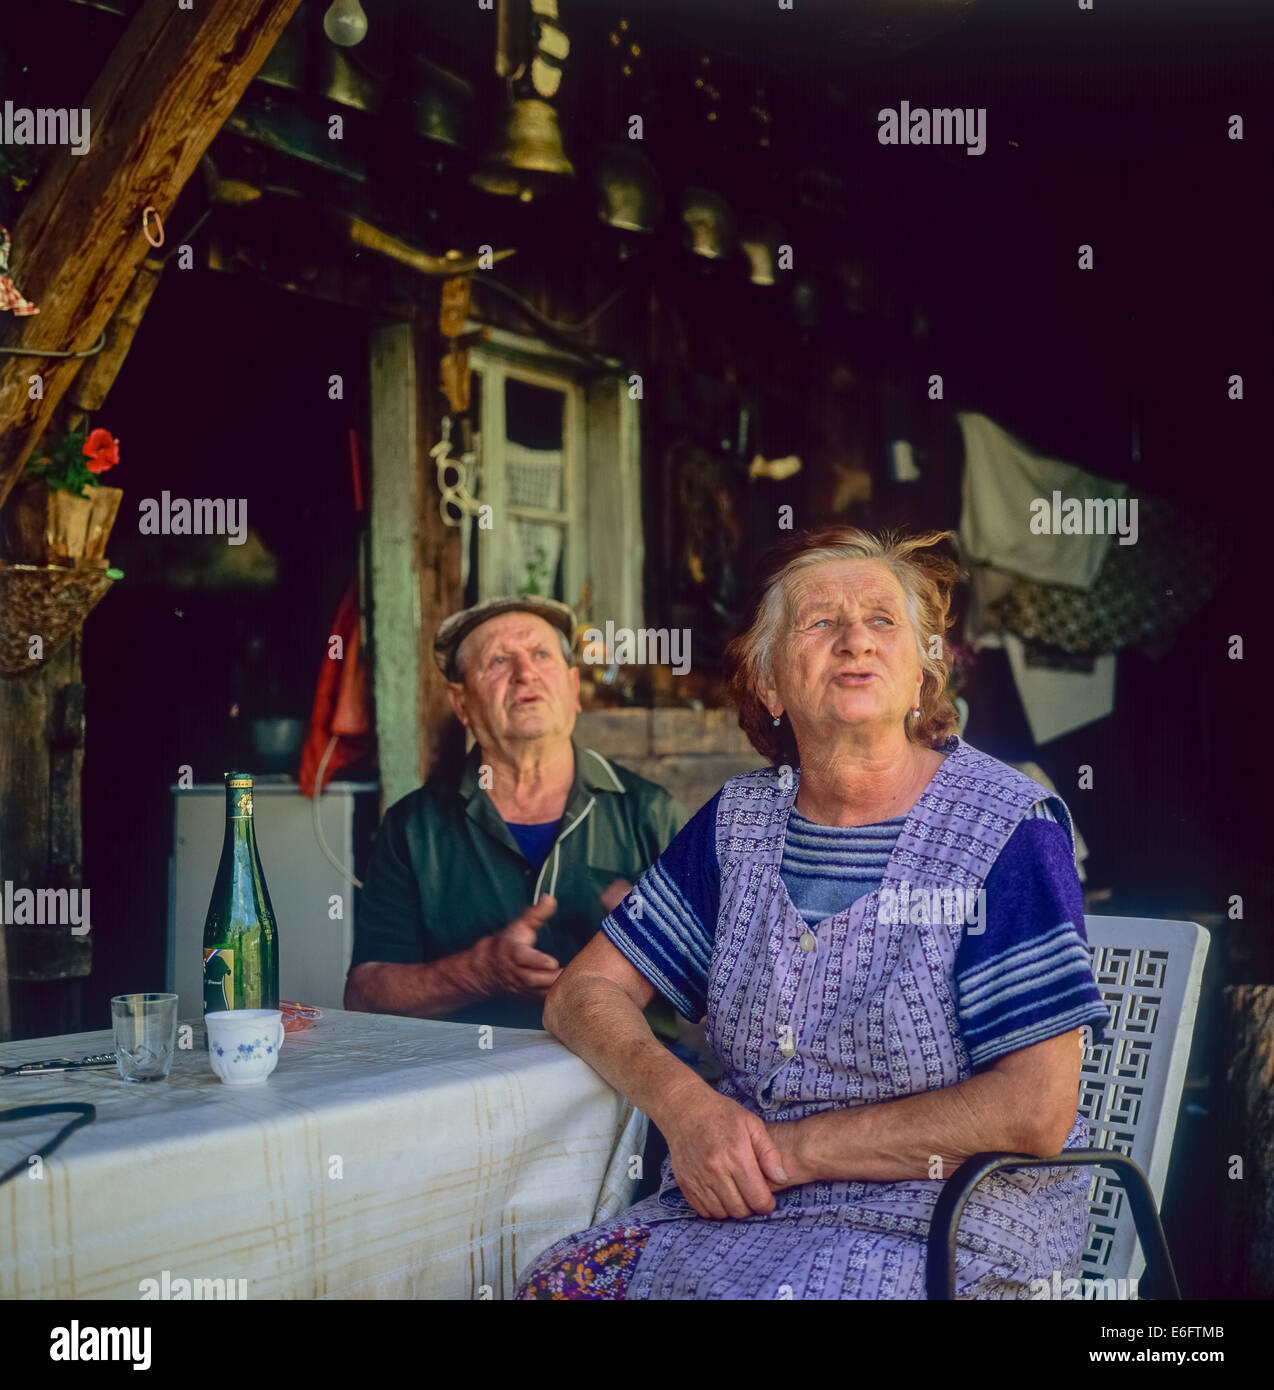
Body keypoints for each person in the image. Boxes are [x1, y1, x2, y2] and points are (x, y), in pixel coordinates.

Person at [515, 527, 1111, 1299]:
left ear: (923, 672)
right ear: (770, 683)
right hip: (749, 1204)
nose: (855, 639)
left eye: (882, 621)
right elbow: (581, 995)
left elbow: (1033, 1109)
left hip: (951, 1212)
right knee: (559, 1281)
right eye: (820, 622)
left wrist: (789, 1153)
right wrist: (688, 1109)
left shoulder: (1005, 828)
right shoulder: (738, 824)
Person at [344, 596, 687, 1030]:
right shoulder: (413, 828)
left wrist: (660, 941)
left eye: (541, 655)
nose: (525, 673)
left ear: (573, 687)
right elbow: (363, 996)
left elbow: (732, 979)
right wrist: (479, 973)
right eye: (500, 660)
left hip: (622, 1084)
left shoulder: (651, 813)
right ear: (462, 703)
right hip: (468, 1083)